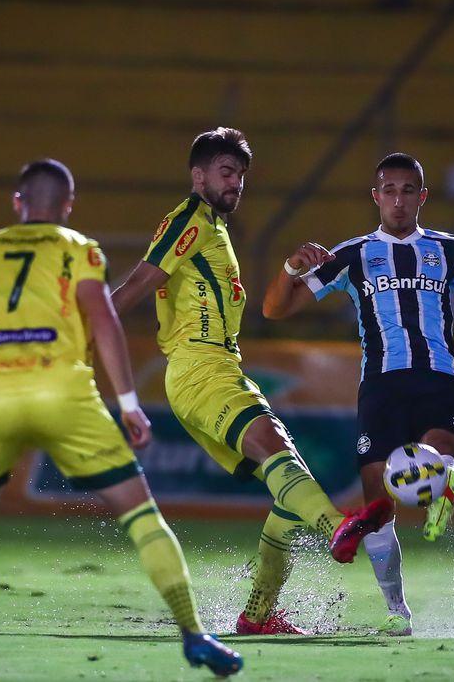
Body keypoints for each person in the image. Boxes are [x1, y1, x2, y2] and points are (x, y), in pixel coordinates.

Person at [0, 159, 243, 677]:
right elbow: (103, 319)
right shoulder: (79, 248)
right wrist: (128, 404)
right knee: (142, 515)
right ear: (68, 206)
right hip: (64, 396)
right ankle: (194, 635)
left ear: (17, 203)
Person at [260, 152, 454, 636]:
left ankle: (442, 475)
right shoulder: (351, 256)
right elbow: (274, 309)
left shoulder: (449, 250)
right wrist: (290, 267)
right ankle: (398, 610)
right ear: (375, 197)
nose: (398, 200)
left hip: (439, 379)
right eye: (389, 191)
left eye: (408, 190)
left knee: (431, 454)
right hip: (381, 386)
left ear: (423, 196)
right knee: (379, 506)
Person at [111, 128, 390, 636]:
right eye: (225, 172)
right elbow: (138, 284)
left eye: (240, 174)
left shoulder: (215, 229)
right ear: (198, 176)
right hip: (200, 367)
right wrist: (86, 334)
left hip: (218, 367)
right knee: (273, 444)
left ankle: (257, 616)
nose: (236, 181)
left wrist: (288, 267)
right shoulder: (189, 221)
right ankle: (336, 527)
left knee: (287, 482)